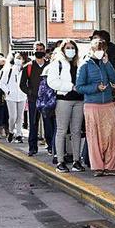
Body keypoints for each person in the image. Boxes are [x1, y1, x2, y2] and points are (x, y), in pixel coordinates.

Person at [76, 38, 115, 176]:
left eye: (103, 49)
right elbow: (79, 87)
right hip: (92, 105)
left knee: (113, 136)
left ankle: (110, 166)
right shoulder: (84, 65)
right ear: (92, 50)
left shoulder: (104, 63)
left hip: (107, 103)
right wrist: (95, 87)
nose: (101, 52)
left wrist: (107, 64)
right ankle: (97, 167)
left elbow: (114, 78)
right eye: (98, 49)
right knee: (94, 137)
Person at [47, 39, 85, 173]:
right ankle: (60, 161)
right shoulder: (57, 63)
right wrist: (70, 87)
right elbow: (52, 82)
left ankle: (76, 160)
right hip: (63, 99)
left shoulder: (80, 63)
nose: (70, 50)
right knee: (62, 130)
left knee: (76, 131)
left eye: (72, 47)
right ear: (62, 50)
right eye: (68, 47)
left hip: (79, 100)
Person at [20, 41, 49, 156]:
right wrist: (30, 93)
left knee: (49, 123)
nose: (39, 51)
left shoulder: (50, 65)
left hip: (47, 99)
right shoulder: (28, 67)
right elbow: (22, 84)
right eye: (37, 49)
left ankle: (51, 146)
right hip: (33, 100)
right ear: (33, 50)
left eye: (41, 49)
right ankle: (32, 147)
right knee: (33, 124)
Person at [0, 52, 27, 143]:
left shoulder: (25, 70)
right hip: (11, 97)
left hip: (22, 96)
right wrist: (8, 91)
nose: (19, 60)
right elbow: (2, 83)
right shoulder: (9, 70)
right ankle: (11, 131)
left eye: (21, 58)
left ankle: (19, 134)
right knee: (13, 116)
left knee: (20, 117)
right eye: (17, 58)